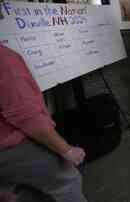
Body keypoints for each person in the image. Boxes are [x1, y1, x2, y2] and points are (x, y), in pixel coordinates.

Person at [0, 44, 87, 202]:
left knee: (20, 192)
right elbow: (27, 114)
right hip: (8, 145)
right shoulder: (4, 58)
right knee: (67, 180)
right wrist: (66, 150)